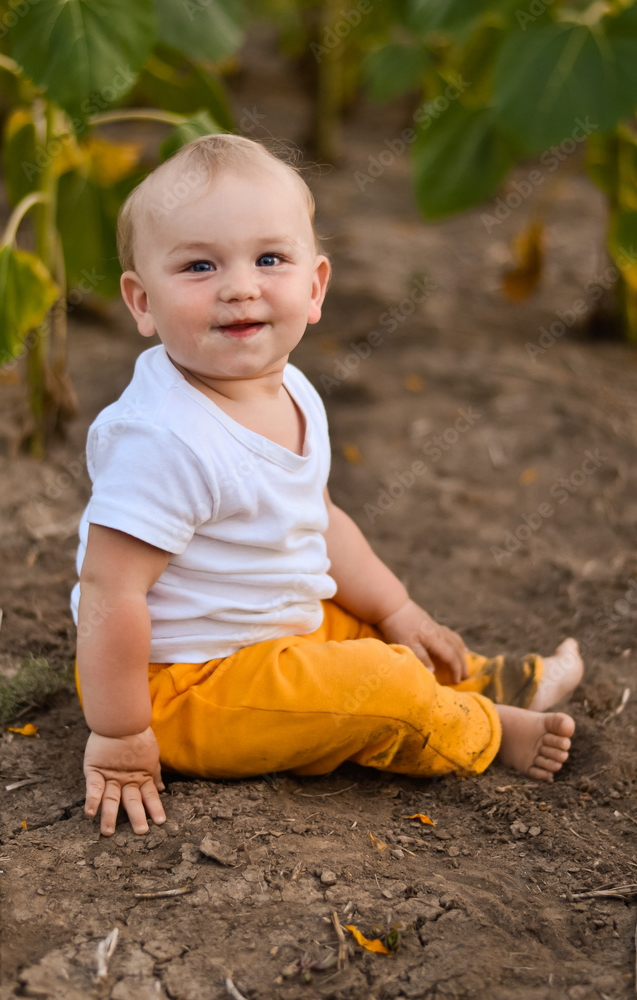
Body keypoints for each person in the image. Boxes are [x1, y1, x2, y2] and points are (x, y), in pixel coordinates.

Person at [72, 134, 583, 838]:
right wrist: (122, 735)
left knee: (375, 631)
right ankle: (487, 728)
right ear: (143, 302)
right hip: (183, 687)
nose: (239, 286)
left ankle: (482, 675)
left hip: (269, 634)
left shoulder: (291, 391)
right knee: (378, 688)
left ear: (313, 287)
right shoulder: (162, 439)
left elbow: (317, 518)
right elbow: (110, 592)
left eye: (269, 259)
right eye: (198, 266)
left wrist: (399, 608)